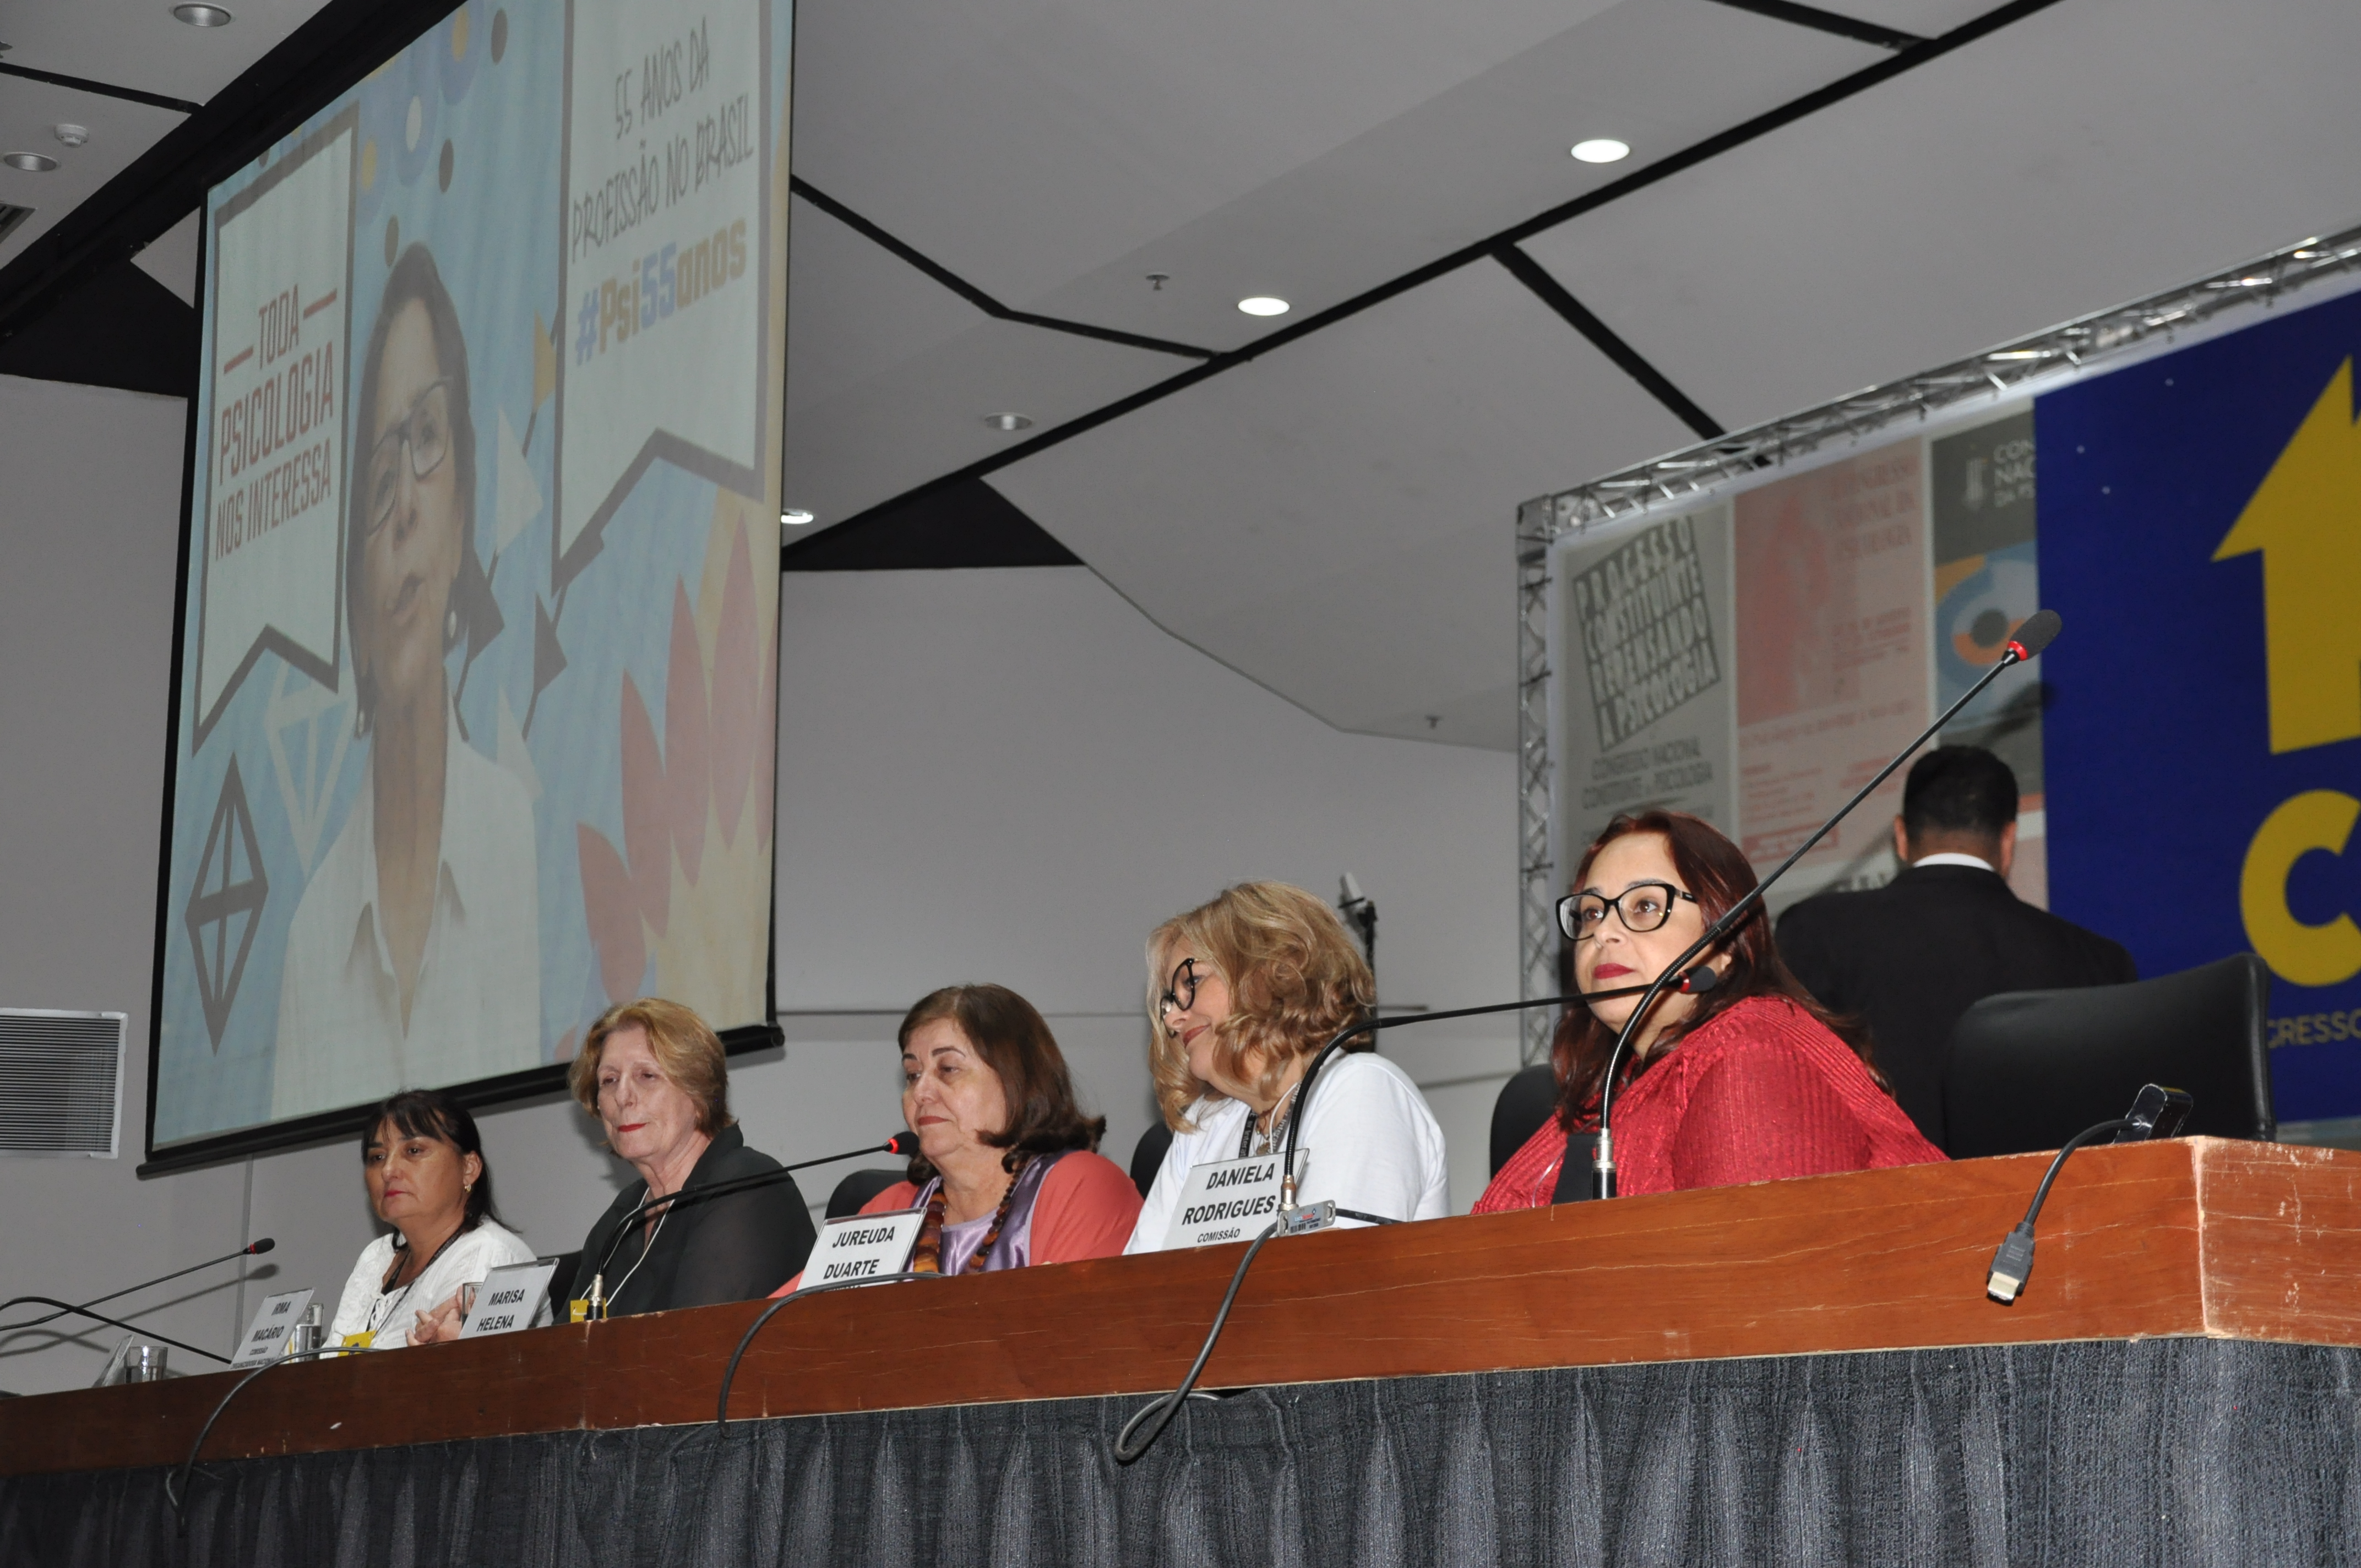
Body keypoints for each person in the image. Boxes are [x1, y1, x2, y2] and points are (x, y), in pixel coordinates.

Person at [275, 243, 538, 1119]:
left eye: (427, 440)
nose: (406, 513)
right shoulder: (313, 937)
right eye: (380, 481)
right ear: (353, 592)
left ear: (462, 513)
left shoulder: (518, 842)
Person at [1477, 810, 1941, 1211]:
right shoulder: (1616, 1083)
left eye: (1645, 906)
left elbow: (1755, 1276)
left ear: (1724, 946)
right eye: (1592, 912)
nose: (1604, 933)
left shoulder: (1750, 1057)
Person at [1776, 746, 2137, 1150]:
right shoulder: (2099, 962)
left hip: (1874, 1188)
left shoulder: (1814, 932)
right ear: (2008, 839)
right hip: (2042, 1191)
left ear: (1901, 836)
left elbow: (1785, 1099)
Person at [1128, 881, 1447, 1251]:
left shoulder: (1361, 1088)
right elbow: (1138, 1276)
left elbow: (1326, 1271)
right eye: (1170, 1001)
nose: (1173, 1019)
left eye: (1192, 982)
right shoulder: (1205, 1123)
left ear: (1271, 970)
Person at [776, 985, 1139, 1289]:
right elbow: (772, 1326)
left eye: (948, 1069)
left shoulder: (1081, 1186)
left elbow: (1072, 1336)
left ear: (1017, 1081)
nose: (921, 1092)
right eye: (913, 1075)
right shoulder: (892, 1209)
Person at [565, 998, 815, 1314]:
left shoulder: (746, 1186)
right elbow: (568, 1333)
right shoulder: (622, 1216)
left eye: (647, 1076)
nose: (622, 1096)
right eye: (609, 1080)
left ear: (698, 1092)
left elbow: (697, 1336)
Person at [328, 1088, 536, 1348]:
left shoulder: (490, 1254)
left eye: (414, 1151)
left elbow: (469, 1368)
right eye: (377, 1157)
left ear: (469, 1168)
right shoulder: (376, 1257)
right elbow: (331, 1362)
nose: (388, 1170)